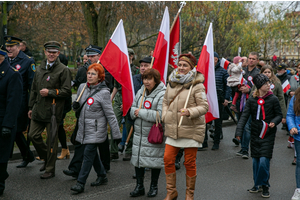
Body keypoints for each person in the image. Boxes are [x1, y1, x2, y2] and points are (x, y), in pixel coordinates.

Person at [162, 53, 209, 199]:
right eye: (180, 64)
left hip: (191, 128)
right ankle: (172, 192)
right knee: (168, 159)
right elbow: (164, 102)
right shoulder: (171, 82)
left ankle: (189, 194)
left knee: (189, 162)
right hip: (173, 127)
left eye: (185, 65)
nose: (181, 68)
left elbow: (204, 107)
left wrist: (190, 111)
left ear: (191, 67)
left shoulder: (197, 85)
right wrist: (165, 115)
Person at [70, 63, 121, 193]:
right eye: (88, 73)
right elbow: (78, 105)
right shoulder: (82, 87)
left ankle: (80, 183)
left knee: (88, 154)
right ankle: (102, 175)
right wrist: (74, 106)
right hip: (83, 128)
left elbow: (110, 115)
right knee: (93, 155)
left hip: (97, 130)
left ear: (100, 77)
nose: (90, 76)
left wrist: (116, 134)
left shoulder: (104, 93)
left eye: (93, 74)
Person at [28, 41, 72, 179]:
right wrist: (30, 107)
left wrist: (51, 92)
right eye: (49, 52)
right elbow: (34, 89)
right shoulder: (39, 68)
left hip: (53, 111)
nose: (51, 54)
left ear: (58, 53)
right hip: (38, 109)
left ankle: (50, 169)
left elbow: (67, 91)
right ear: (45, 52)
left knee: (52, 141)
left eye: (54, 52)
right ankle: (46, 158)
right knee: (32, 135)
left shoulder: (63, 69)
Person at [235, 74, 282, 198]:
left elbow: (278, 114)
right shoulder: (252, 100)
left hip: (268, 133)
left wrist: (274, 122)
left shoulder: (273, 99)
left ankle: (265, 184)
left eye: (269, 83)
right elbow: (244, 116)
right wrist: (239, 132)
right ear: (260, 86)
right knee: (255, 161)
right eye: (266, 84)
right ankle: (257, 184)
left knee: (263, 161)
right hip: (255, 134)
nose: (269, 85)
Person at [129, 68, 166, 197]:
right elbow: (132, 108)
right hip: (139, 133)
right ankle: (139, 186)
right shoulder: (141, 91)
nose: (146, 81)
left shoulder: (163, 93)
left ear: (156, 80)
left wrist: (141, 113)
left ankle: (153, 186)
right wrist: (134, 112)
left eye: (149, 79)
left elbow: (161, 115)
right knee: (139, 159)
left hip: (153, 134)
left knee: (154, 160)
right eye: (144, 78)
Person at [4, 36, 36, 168]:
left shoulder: (27, 61)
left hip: (20, 103)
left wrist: (31, 105)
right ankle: (27, 155)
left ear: (19, 46)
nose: (9, 49)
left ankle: (25, 155)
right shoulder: (4, 60)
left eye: (12, 46)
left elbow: (32, 86)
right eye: (7, 46)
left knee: (15, 130)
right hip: (5, 102)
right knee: (12, 130)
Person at [0, 46, 23, 196]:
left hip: (3, 123)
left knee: (1, 157)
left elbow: (13, 102)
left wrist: (8, 125)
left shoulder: (12, 74)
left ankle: (0, 184)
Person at [235, 52, 260, 158]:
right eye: (249, 58)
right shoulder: (242, 71)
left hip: (251, 102)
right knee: (240, 124)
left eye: (253, 59)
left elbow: (260, 89)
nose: (251, 60)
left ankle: (245, 149)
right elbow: (233, 83)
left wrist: (249, 90)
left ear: (257, 60)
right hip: (239, 101)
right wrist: (239, 88)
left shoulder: (258, 73)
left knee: (247, 126)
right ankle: (242, 147)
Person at [208, 52, 231, 150]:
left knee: (218, 122)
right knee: (204, 121)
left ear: (217, 60)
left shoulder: (223, 71)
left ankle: (216, 142)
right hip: (207, 100)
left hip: (218, 100)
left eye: (214, 59)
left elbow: (228, 85)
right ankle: (203, 142)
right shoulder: (206, 70)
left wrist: (226, 98)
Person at [287, 87, 300, 200]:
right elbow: (290, 114)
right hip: (299, 137)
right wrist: (292, 127)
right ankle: (299, 189)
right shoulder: (296, 97)